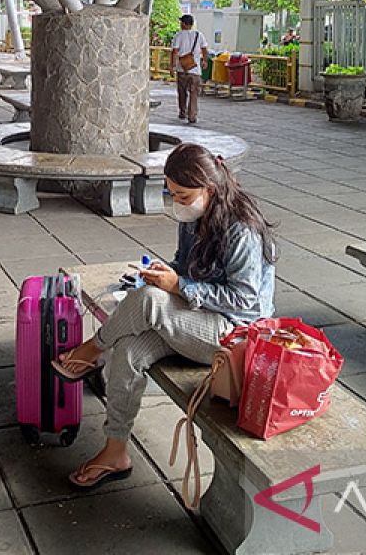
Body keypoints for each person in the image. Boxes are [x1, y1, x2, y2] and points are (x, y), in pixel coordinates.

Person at [51, 143, 277, 489]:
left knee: (150, 302)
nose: (177, 203)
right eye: (172, 194)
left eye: (183, 196)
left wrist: (178, 287)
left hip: (234, 334)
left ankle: (91, 351)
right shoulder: (195, 217)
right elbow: (184, 268)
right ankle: (115, 451)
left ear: (210, 189)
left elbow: (246, 302)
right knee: (128, 351)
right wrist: (166, 273)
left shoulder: (240, 228)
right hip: (197, 319)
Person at [170, 14, 208, 125]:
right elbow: (204, 49)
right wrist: (204, 61)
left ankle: (183, 112)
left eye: (181, 22)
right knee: (194, 94)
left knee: (182, 92)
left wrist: (172, 66)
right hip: (195, 70)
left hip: (182, 69)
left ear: (185, 24)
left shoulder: (178, 35)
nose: (180, 24)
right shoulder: (199, 35)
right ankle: (192, 116)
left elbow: (174, 52)